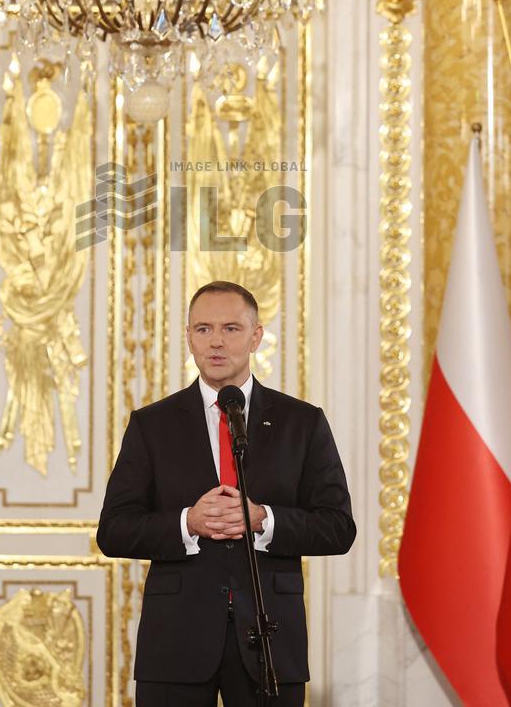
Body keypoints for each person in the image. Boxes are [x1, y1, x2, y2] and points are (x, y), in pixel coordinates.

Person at [97, 280, 356, 706]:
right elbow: (114, 530)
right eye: (202, 329)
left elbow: (338, 528)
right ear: (188, 337)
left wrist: (264, 520)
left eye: (231, 329)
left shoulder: (302, 423)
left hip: (270, 643)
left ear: (256, 336)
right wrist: (187, 523)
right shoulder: (152, 425)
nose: (215, 341)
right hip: (176, 643)